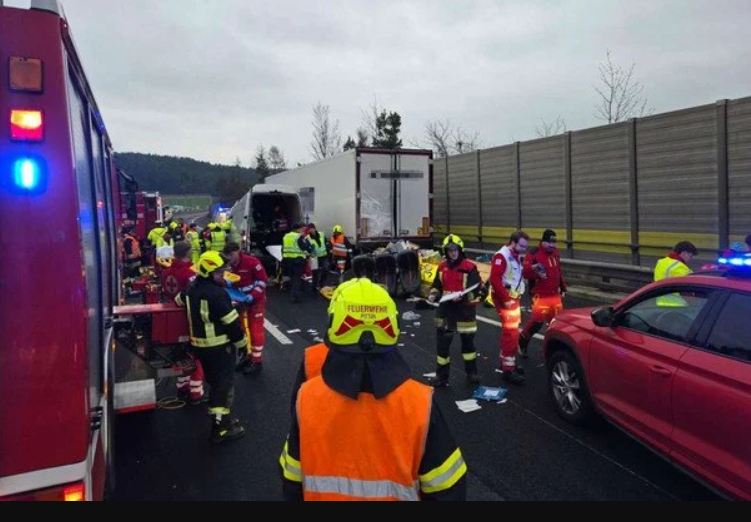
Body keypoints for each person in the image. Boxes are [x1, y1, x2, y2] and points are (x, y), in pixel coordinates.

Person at [280, 279, 467, 501]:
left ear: (334, 325)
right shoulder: (420, 404)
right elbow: (448, 489)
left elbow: (292, 479)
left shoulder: (307, 398)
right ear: (392, 327)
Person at [175, 252, 248, 444]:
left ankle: (222, 420)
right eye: (219, 272)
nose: (222, 275)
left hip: (199, 348)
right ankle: (220, 429)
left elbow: (178, 300)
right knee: (223, 386)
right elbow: (232, 325)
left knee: (215, 384)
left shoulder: (191, 288)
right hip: (219, 348)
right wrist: (243, 345)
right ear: (208, 272)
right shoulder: (217, 294)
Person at [427, 235, 483, 388]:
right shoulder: (441, 266)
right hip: (446, 311)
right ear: (445, 251)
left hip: (464, 311)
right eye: (450, 250)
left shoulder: (469, 267)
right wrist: (433, 294)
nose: (453, 253)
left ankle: (472, 373)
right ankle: (441, 377)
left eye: (455, 250)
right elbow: (437, 285)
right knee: (442, 347)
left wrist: (463, 298)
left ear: (460, 249)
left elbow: (476, 290)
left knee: (468, 346)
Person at [162, 242, 205, 405]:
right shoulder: (190, 273)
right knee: (196, 355)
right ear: (188, 253)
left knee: (180, 354)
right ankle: (195, 392)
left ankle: (182, 387)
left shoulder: (166, 271)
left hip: (171, 316)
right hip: (189, 317)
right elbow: (195, 294)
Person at [489, 231, 530, 386]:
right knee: (511, 333)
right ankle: (508, 370)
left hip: (512, 298)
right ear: (513, 242)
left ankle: (506, 363)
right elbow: (494, 279)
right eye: (522, 246)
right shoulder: (502, 256)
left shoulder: (515, 255)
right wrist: (506, 300)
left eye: (525, 246)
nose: (524, 249)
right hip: (506, 299)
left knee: (511, 332)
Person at [519, 229, 567, 359]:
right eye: (549, 242)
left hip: (555, 295)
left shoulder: (555, 254)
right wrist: (536, 272)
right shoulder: (534, 254)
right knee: (537, 323)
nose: (552, 245)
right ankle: (522, 341)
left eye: (554, 243)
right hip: (540, 295)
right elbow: (525, 272)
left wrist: (563, 287)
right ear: (543, 241)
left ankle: (553, 350)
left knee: (557, 323)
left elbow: (558, 271)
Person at [224, 242, 269, 375]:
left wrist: (253, 296)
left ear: (238, 251)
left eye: (232, 255)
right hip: (239, 301)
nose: (230, 258)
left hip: (255, 301)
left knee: (255, 330)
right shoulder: (228, 265)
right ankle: (248, 356)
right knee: (242, 330)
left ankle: (257, 361)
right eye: (228, 256)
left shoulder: (252, 262)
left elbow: (263, 281)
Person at [283, 224, 314, 303]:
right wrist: (311, 248)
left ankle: (291, 292)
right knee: (297, 278)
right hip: (297, 260)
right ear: (297, 229)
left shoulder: (286, 236)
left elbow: (282, 248)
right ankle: (295, 296)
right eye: (300, 229)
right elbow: (304, 247)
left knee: (292, 277)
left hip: (287, 260)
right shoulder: (299, 236)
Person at [306, 224, 329, 292]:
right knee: (315, 273)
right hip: (314, 257)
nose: (311, 230)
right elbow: (307, 248)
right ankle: (314, 286)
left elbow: (326, 243)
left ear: (315, 228)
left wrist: (328, 247)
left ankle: (321, 283)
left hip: (323, 256)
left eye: (312, 228)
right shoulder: (307, 238)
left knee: (326, 269)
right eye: (309, 229)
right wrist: (309, 255)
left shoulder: (321, 234)